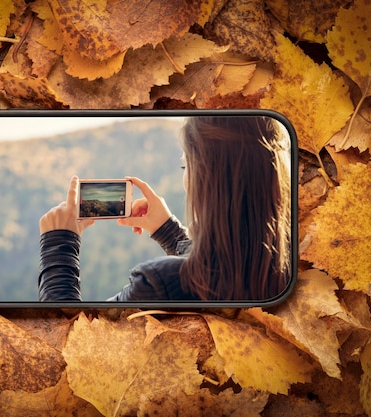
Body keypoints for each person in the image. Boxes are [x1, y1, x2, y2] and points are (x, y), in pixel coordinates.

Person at [38, 116, 292, 302]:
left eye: (186, 167)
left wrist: (58, 244)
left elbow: (70, 332)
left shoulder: (159, 283)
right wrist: (168, 231)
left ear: (207, 179)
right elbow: (219, 267)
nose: (185, 177)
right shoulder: (286, 267)